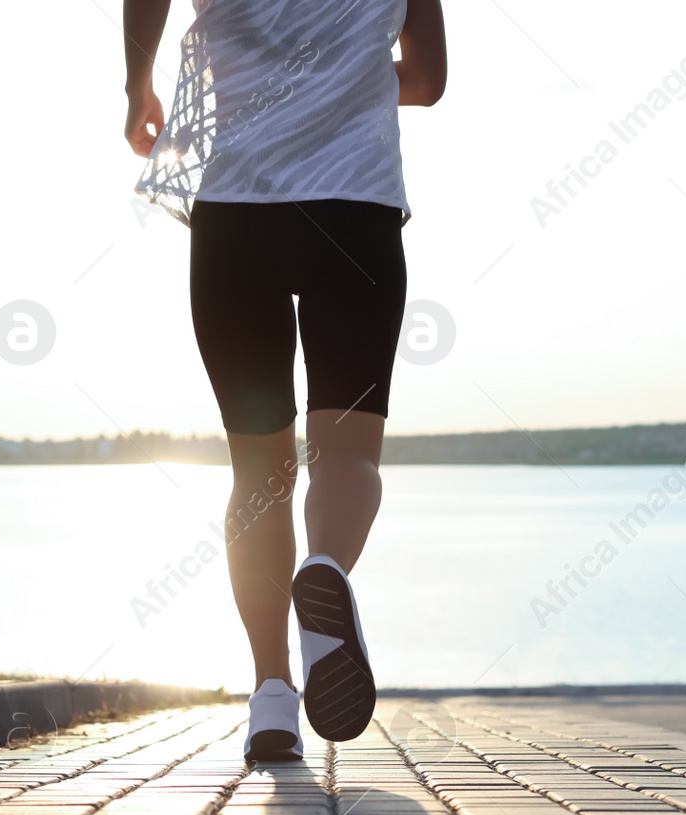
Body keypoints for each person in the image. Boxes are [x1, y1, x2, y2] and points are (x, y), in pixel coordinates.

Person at [123, 0, 447, 761]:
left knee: (258, 473)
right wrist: (344, 77)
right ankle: (324, 566)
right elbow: (428, 79)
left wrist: (137, 83)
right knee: (350, 456)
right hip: (356, 210)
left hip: (238, 221)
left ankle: (272, 696)